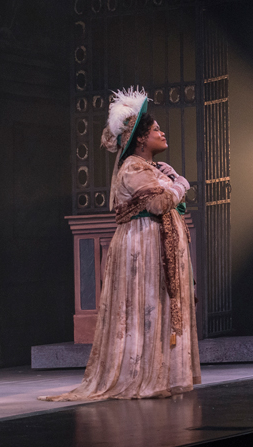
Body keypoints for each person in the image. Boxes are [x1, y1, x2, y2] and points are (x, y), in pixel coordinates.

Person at [40, 87, 199, 402]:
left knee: (158, 309)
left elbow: (169, 201)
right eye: (156, 130)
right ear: (141, 138)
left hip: (155, 246)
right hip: (143, 247)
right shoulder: (133, 168)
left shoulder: (151, 168)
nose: (162, 133)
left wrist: (172, 178)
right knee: (145, 309)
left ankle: (162, 374)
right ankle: (140, 375)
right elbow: (159, 203)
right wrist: (181, 184)